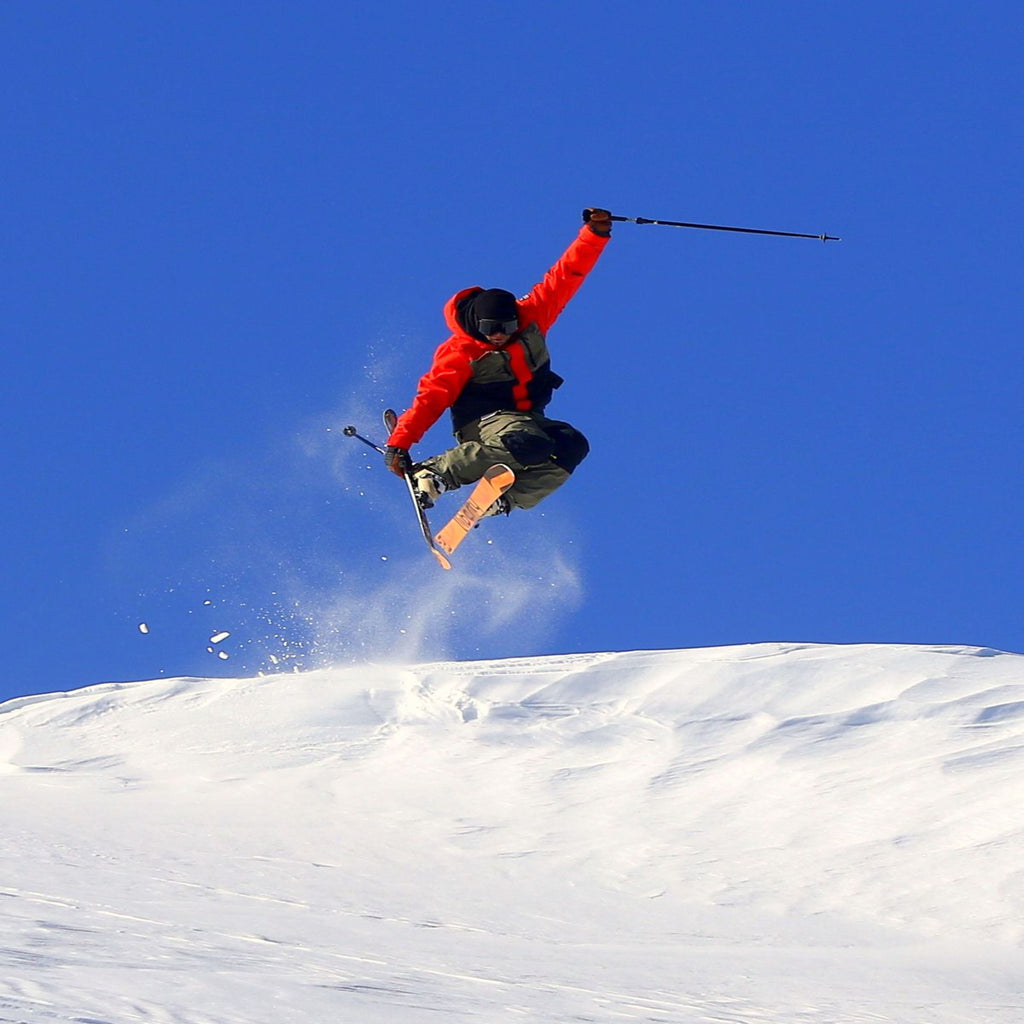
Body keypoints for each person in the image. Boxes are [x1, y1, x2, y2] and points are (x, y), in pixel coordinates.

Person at [383, 208, 613, 516]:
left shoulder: (533, 316)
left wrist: (594, 234)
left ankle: (503, 499)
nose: (499, 336)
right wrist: (400, 442)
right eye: (491, 329)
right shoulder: (460, 351)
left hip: (526, 417)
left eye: (506, 327)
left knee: (571, 444)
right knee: (531, 443)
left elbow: (568, 274)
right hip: (483, 422)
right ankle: (435, 473)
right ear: (477, 324)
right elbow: (431, 398)